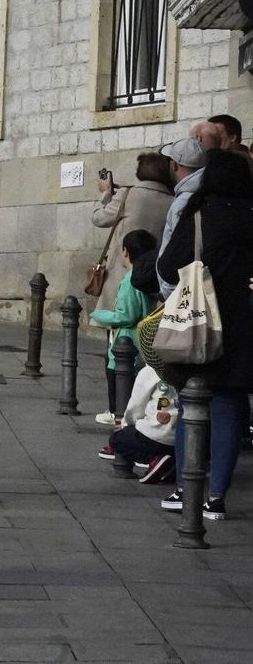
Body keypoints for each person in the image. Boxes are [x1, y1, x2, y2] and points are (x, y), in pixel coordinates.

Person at [155, 147, 253, 521]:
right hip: (244, 326)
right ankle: (216, 498)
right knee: (229, 407)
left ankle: (186, 487)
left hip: (199, 323)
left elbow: (165, 264)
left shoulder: (199, 215)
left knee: (192, 403)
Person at [89, 152, 174, 314]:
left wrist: (105, 193)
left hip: (123, 269)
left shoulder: (128, 194)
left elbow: (99, 218)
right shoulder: (173, 200)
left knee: (118, 319)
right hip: (153, 274)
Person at [89, 231, 160, 425]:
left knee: (117, 376)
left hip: (127, 338)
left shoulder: (131, 279)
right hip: (142, 338)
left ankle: (117, 414)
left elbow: (126, 315)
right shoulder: (149, 276)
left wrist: (98, 315)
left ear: (126, 252)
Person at [101, 364, 178, 484]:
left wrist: (125, 425)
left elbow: (136, 407)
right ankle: (171, 464)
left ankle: (154, 459)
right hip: (183, 438)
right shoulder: (189, 370)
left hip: (154, 435)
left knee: (117, 439)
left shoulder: (150, 371)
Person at [155, 132, 213, 268]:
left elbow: (177, 250)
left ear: (174, 165)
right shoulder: (213, 192)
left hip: (184, 284)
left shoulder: (184, 202)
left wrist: (168, 287)